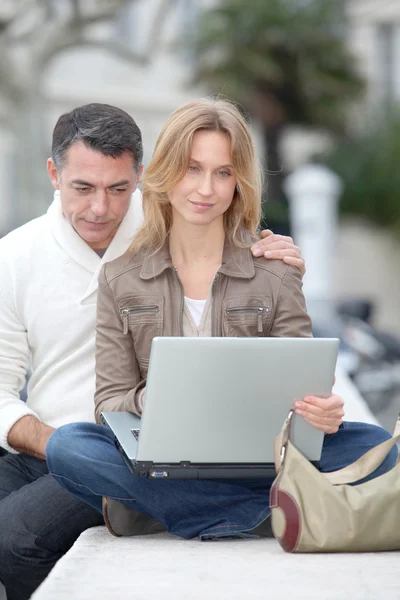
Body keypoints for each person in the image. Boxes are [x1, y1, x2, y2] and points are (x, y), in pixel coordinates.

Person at [46, 98, 397, 542]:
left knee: (379, 448)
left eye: (222, 172)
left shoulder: (275, 270)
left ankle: (192, 513)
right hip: (168, 463)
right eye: (192, 168)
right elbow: (109, 403)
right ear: (167, 173)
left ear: (239, 183)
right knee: (69, 447)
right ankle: (258, 513)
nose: (205, 189)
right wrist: (176, 399)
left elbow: (302, 385)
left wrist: (319, 412)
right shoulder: (120, 279)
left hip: (262, 457)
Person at [0, 102, 305, 600]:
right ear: (54, 174)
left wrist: (275, 254)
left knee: (14, 535)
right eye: (83, 188)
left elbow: (231, 242)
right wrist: (57, 441)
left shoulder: (171, 218)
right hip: (52, 443)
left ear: (141, 176)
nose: (101, 208)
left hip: (140, 448)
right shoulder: (14, 258)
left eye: (119, 189)